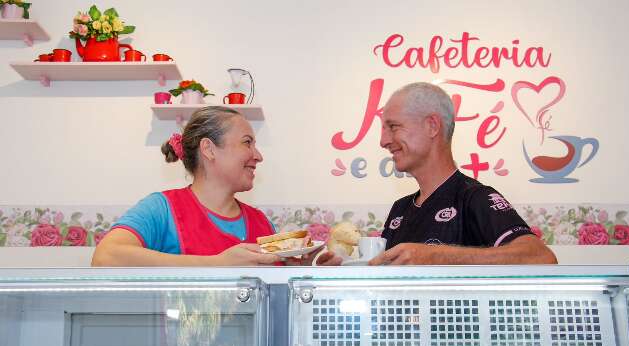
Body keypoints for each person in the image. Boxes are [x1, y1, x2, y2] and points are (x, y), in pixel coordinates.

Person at [92, 106, 338, 267]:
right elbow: (105, 257)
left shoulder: (260, 222)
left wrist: (302, 269)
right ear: (209, 149)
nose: (258, 155)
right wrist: (216, 264)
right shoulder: (162, 209)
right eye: (247, 143)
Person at [369, 82, 557, 265]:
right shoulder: (400, 209)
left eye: (393, 127)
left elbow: (541, 257)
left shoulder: (475, 197)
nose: (383, 141)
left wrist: (438, 257)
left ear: (432, 126)